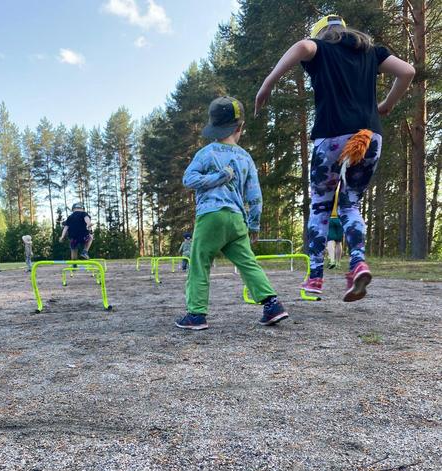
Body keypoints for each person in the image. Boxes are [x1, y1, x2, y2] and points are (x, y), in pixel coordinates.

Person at [255, 15, 415, 301]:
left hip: (331, 137)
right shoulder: (372, 52)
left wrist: (268, 83)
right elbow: (407, 71)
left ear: (322, 35)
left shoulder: (321, 48)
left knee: (320, 206)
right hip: (369, 137)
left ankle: (315, 277)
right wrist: (385, 105)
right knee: (350, 203)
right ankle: (358, 263)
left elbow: (303, 47)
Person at [176, 96, 288, 330]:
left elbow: (188, 179)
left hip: (211, 217)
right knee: (248, 263)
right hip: (237, 219)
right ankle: (272, 305)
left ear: (213, 126)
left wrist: (217, 177)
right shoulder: (245, 158)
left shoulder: (205, 153)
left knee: (199, 263)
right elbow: (255, 196)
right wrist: (254, 226)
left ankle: (196, 315)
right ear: (240, 127)